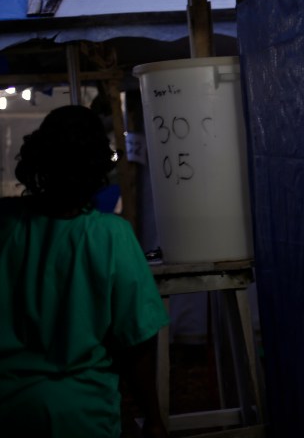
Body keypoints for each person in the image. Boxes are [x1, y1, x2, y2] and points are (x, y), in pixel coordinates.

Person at [0, 104, 170, 438]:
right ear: (96, 166)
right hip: (82, 414)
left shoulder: (5, 222)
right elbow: (137, 341)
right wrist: (153, 418)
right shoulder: (112, 235)